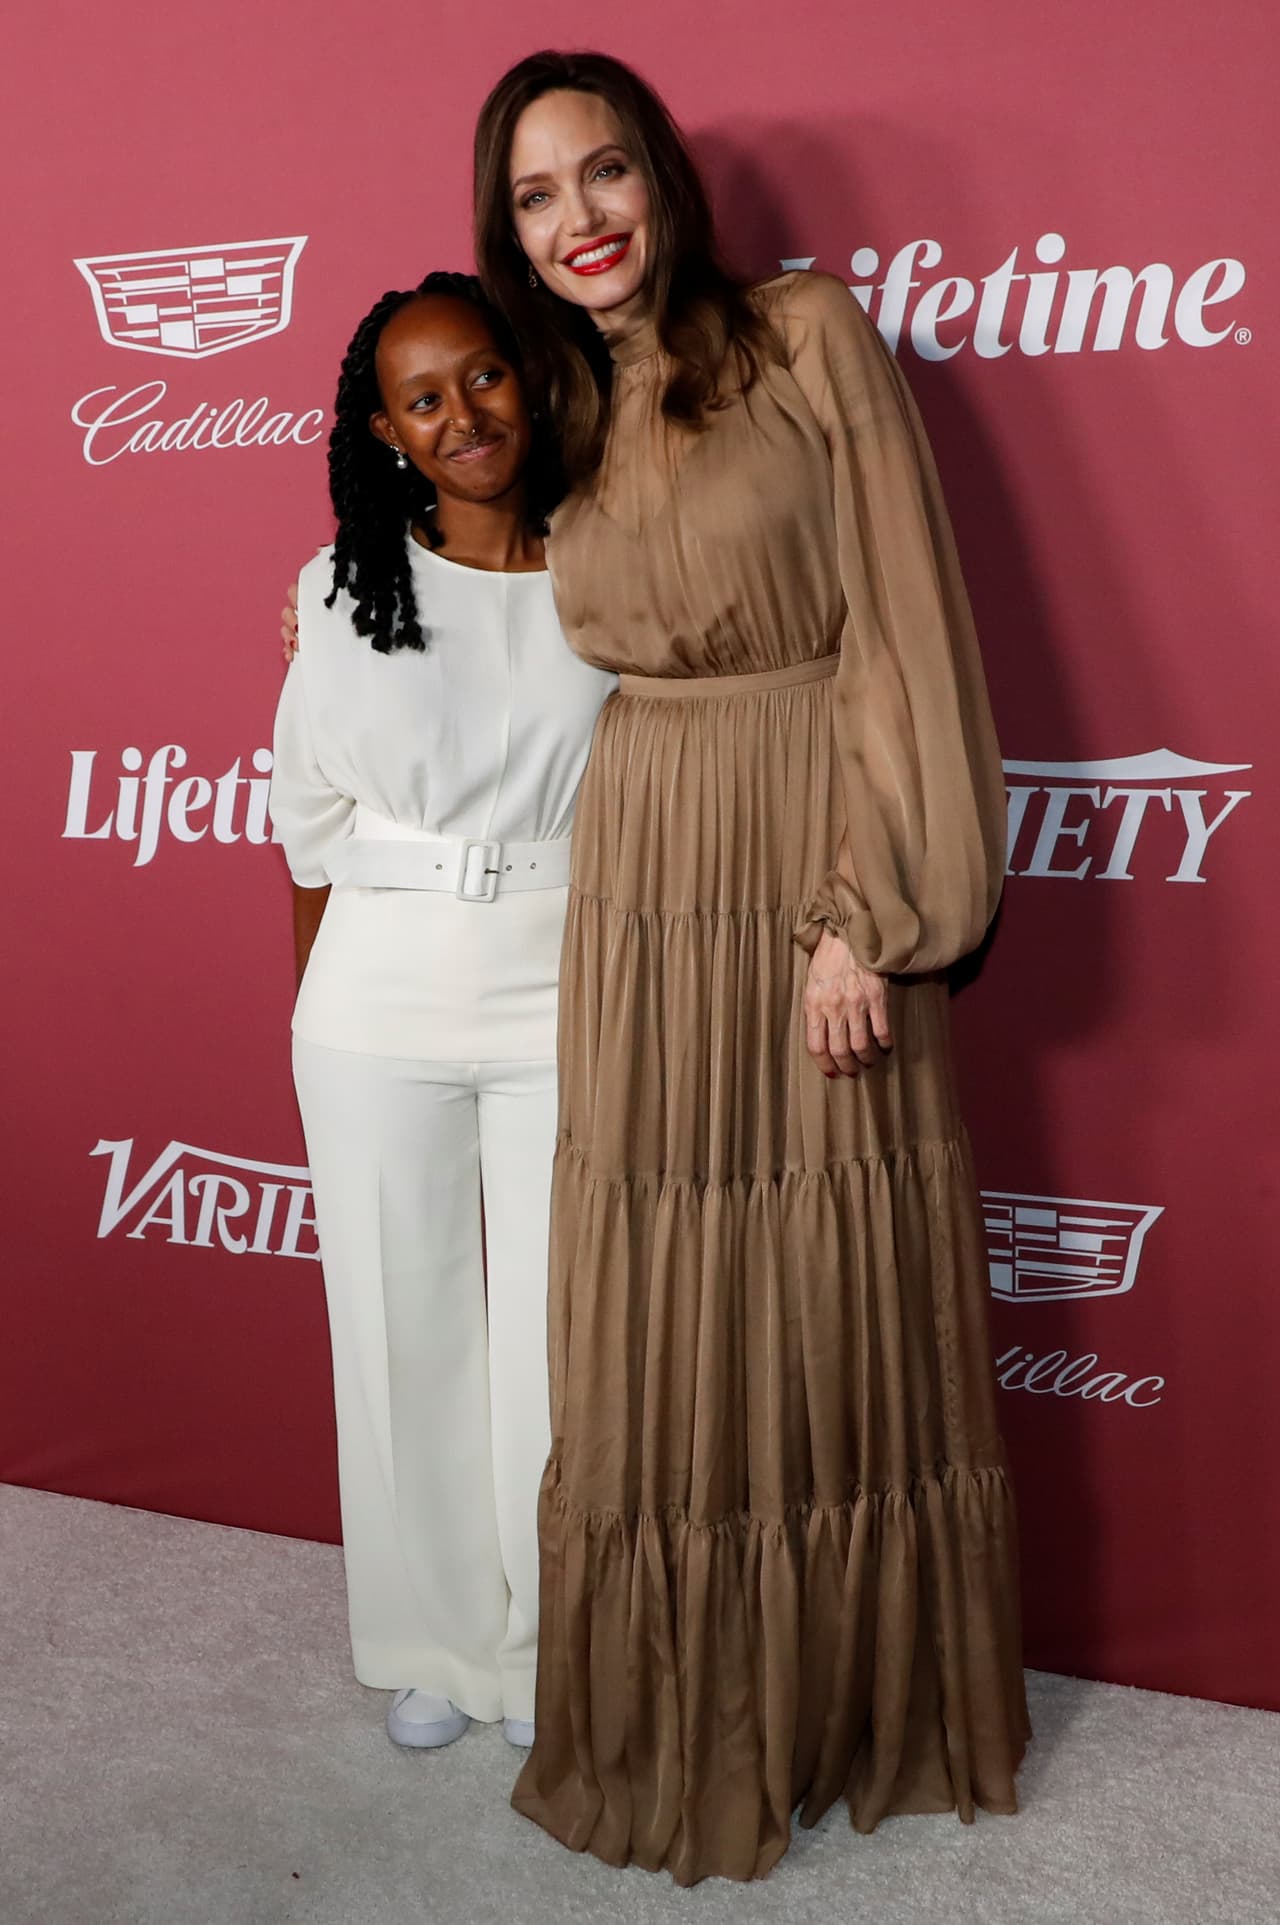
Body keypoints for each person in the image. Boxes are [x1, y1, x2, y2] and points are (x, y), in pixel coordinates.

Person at [469, 51, 1031, 1882]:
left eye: (604, 172)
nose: (580, 221)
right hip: (645, 867)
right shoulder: (555, 403)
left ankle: (856, 1696)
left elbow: (901, 621)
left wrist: (862, 908)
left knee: (824, 1263)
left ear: (664, 181)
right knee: (665, 1282)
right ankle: (684, 1703)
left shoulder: (802, 336)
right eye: (538, 197)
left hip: (808, 838)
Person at [268, 272, 614, 1755]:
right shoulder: (340, 586)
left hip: (565, 980)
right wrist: (319, 1011)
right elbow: (306, 828)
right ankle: (432, 1639)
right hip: (376, 989)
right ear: (386, 431)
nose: (463, 416)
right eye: (425, 398)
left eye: (482, 378)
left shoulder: (615, 566)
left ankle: (550, 1648)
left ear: (527, 382)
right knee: (398, 1328)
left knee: (562, 1337)